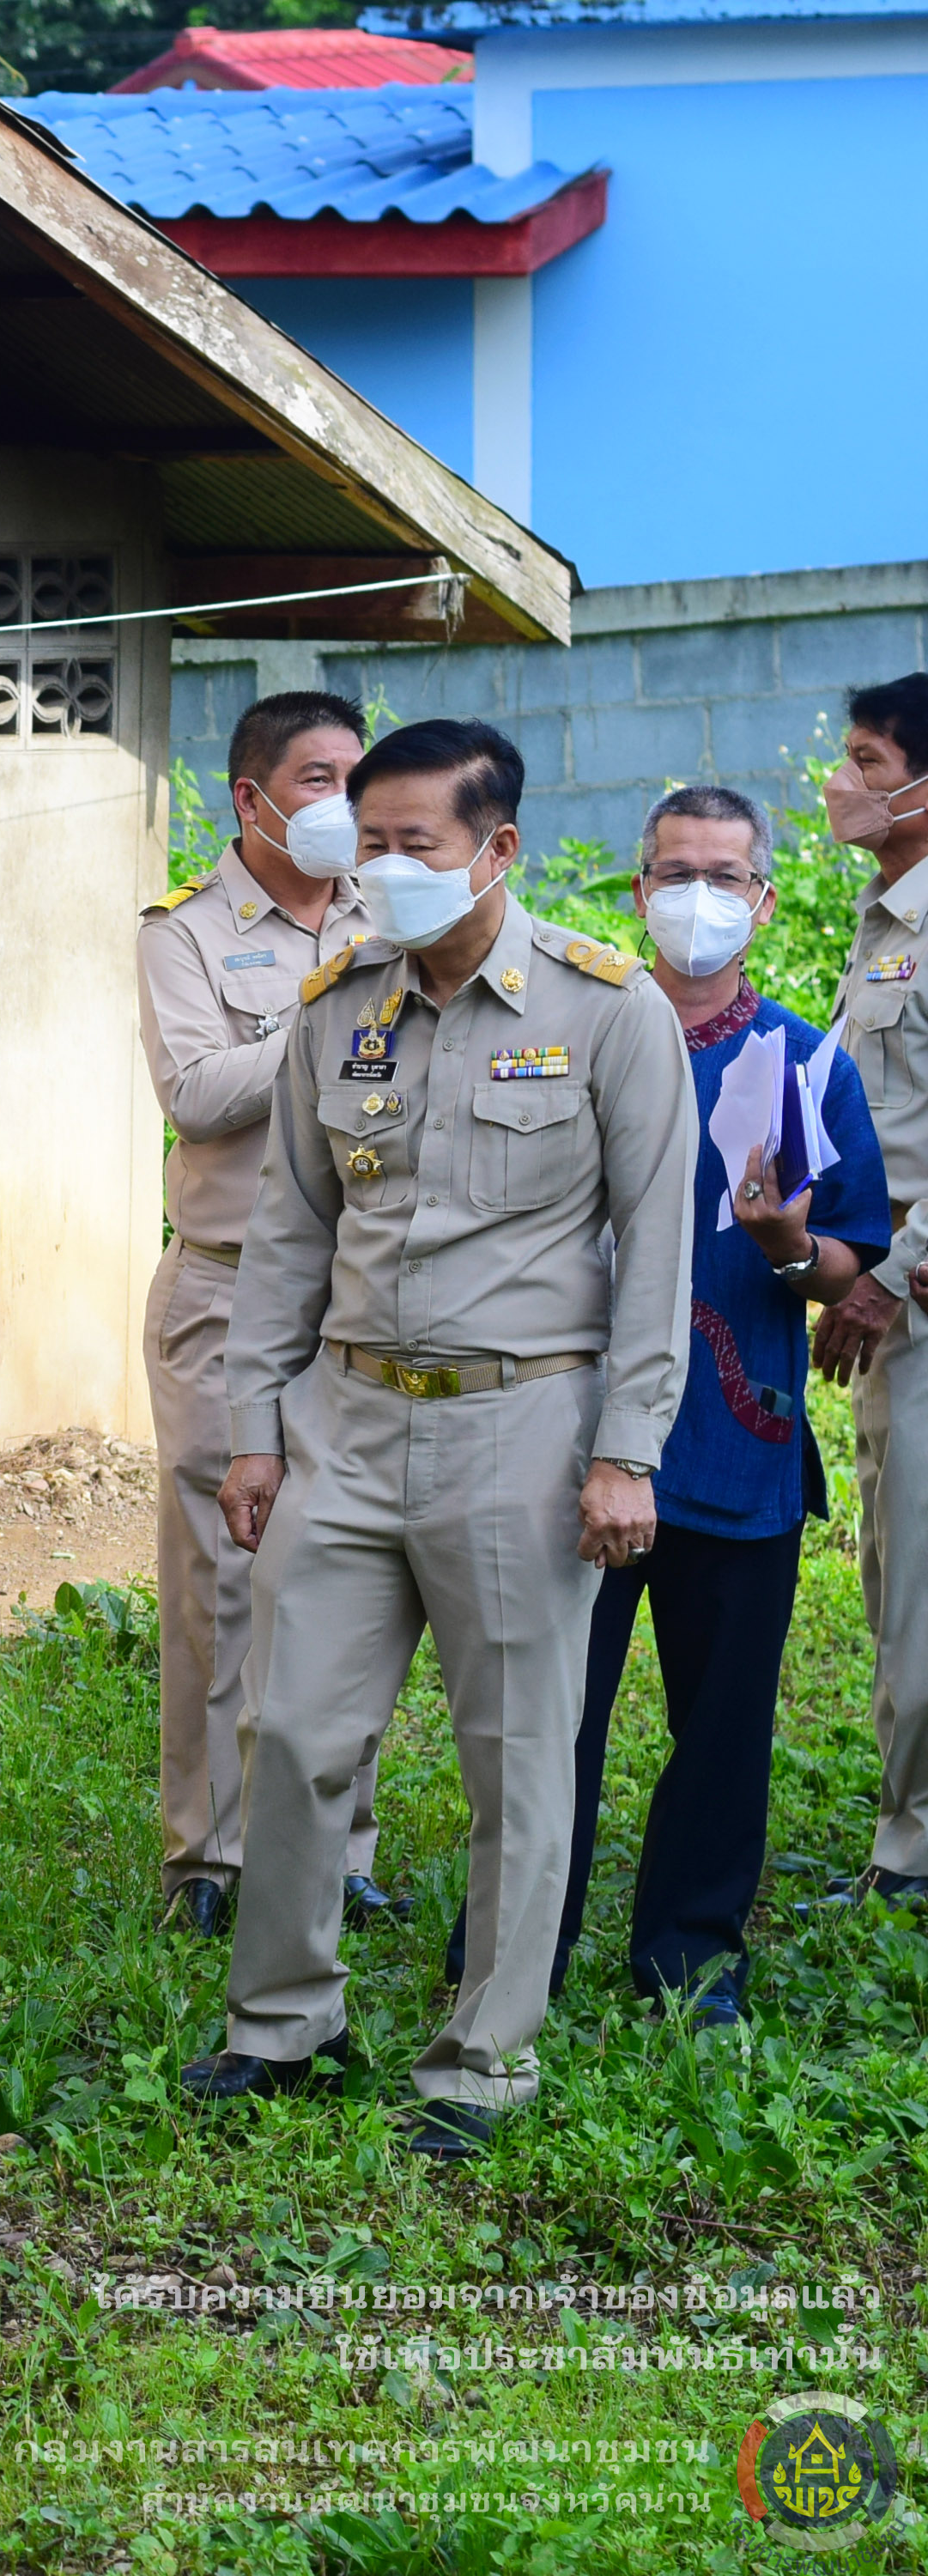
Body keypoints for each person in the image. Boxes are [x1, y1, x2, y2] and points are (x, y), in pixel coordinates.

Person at [189, 720, 690, 2158]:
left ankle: (483, 2060)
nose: (388, 870)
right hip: (343, 1422)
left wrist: (625, 1449)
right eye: (374, 841)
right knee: (289, 1730)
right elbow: (287, 1231)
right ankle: (284, 2022)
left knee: (516, 1756)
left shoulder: (605, 1011)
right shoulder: (336, 1003)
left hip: (522, 1428)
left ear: (498, 849)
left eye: (420, 845)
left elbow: (653, 1247)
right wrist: (254, 1430)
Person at [435, 787, 886, 2026]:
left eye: (726, 875)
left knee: (724, 1725)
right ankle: (512, 1946)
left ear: (763, 899)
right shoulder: (562, 1034)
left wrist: (791, 1242)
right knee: (542, 1718)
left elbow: (849, 1263)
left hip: (737, 1446)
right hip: (568, 1442)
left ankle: (691, 1955)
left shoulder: (808, 1062)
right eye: (675, 871)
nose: (699, 897)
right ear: (636, 892)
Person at [136, 691, 397, 1941]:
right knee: (224, 1577)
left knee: (351, 1567)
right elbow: (196, 1094)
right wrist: (330, 1007)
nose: (343, 802)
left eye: (357, 774)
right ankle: (215, 1853)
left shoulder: (393, 909)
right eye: (316, 777)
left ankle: (343, 1849)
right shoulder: (188, 934)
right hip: (229, 1288)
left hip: (364, 1286)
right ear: (251, 799)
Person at [808, 673, 928, 1905]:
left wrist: (890, 1277)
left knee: (921, 1581)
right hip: (891, 1290)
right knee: (899, 1565)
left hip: (915, 1288)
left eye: (865, 758)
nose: (842, 783)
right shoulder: (885, 921)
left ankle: (913, 1854)